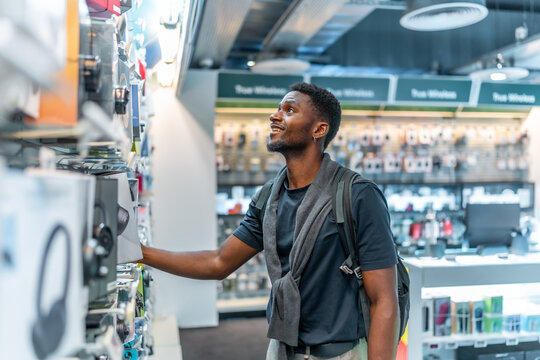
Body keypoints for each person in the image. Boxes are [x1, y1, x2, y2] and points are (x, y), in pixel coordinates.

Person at [139, 82, 399, 360]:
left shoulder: (358, 196)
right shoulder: (268, 199)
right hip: (283, 350)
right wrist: (140, 253)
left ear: (319, 130)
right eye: (277, 109)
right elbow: (219, 262)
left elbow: (384, 300)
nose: (275, 116)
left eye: (289, 110)